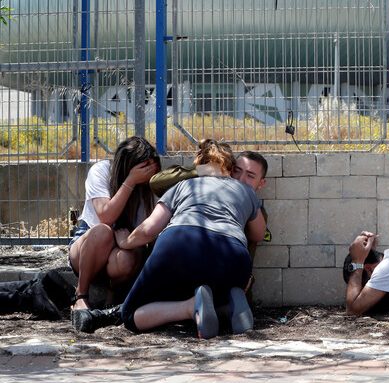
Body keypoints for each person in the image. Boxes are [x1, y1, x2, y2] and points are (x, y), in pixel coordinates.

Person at [116, 139, 266, 339]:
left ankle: (189, 307)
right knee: (214, 288)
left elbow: (149, 229)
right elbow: (259, 234)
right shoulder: (246, 191)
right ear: (230, 167)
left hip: (180, 244)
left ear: (198, 164)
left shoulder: (183, 185)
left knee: (130, 314)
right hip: (233, 256)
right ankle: (228, 306)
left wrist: (125, 242)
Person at [68, 137, 160, 319]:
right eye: (145, 166)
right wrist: (130, 181)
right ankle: (81, 295)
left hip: (125, 247)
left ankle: (113, 294)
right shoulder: (101, 171)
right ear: (128, 165)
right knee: (103, 231)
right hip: (89, 249)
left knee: (125, 259)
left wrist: (127, 243)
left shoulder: (152, 185)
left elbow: (151, 233)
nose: (150, 170)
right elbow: (106, 216)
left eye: (152, 164)